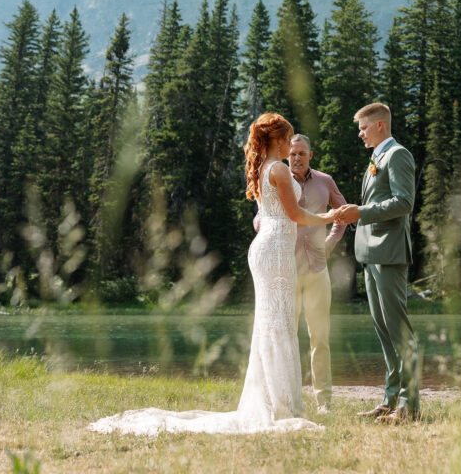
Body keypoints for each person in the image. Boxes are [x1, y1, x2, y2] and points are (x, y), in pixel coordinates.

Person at [89, 113, 338, 436]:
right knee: (277, 323)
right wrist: (330, 215)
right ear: (278, 139)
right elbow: (294, 215)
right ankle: (282, 405)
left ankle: (279, 402)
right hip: (276, 248)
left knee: (274, 322)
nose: (292, 145)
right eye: (289, 138)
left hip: (270, 245)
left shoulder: (265, 167)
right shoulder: (277, 168)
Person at [335, 102, 421, 423]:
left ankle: (408, 407)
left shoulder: (398, 154)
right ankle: (389, 398)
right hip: (370, 253)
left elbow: (404, 202)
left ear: (380, 126)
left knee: (399, 331)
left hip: (389, 252)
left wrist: (362, 212)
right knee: (384, 331)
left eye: (363, 127)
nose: (359, 134)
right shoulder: (377, 157)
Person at [255, 133, 347, 413]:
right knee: (285, 335)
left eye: (302, 154)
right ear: (287, 155)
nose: (296, 158)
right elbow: (260, 217)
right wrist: (271, 236)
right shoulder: (277, 178)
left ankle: (324, 402)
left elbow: (341, 213)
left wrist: (330, 243)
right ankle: (284, 398)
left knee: (320, 338)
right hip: (286, 271)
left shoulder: (325, 181)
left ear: (310, 156)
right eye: (292, 153)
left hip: (318, 270)